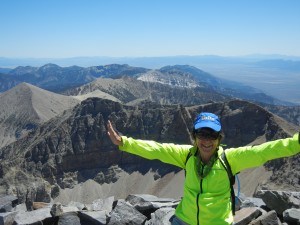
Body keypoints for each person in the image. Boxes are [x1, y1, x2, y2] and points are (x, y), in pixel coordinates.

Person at [107, 112, 300, 225]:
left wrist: (297, 142)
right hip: (184, 220)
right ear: (194, 136)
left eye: (212, 135)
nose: (206, 141)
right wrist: (124, 142)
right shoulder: (187, 155)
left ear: (219, 138)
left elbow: (265, 151)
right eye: (201, 134)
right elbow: (156, 149)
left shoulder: (230, 159)